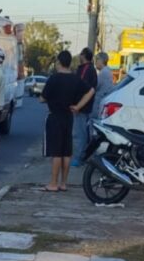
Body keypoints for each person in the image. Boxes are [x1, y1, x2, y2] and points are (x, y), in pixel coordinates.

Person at [40, 50, 95, 192]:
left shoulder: (54, 78)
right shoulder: (75, 79)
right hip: (69, 116)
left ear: (59, 62)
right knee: (66, 152)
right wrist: (78, 106)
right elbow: (91, 91)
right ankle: (64, 183)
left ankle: (53, 183)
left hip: (55, 116)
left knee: (56, 152)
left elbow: (42, 98)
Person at [71, 47, 98, 167]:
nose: (79, 56)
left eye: (81, 54)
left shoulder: (86, 69)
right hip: (83, 106)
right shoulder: (88, 69)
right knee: (83, 133)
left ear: (84, 56)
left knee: (79, 134)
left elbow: (82, 88)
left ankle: (79, 157)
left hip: (82, 107)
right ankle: (82, 155)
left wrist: (78, 105)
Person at [92, 52, 115, 118]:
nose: (95, 62)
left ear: (101, 60)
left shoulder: (103, 72)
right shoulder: (107, 71)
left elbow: (95, 87)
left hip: (99, 103)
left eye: (97, 59)